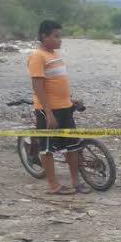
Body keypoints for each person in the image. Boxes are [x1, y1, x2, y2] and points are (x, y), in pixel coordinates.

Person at [28, 19, 88, 195]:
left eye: (60, 36)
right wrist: (48, 113)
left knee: (73, 147)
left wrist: (70, 100)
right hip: (49, 110)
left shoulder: (55, 55)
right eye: (55, 37)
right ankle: (53, 185)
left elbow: (57, 83)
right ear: (43, 36)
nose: (59, 40)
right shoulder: (37, 56)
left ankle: (76, 182)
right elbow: (38, 86)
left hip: (65, 108)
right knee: (47, 149)